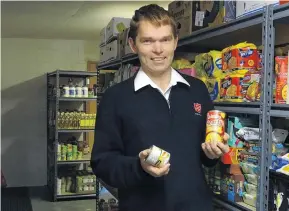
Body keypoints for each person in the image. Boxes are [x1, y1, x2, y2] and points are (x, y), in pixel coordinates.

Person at [91, 4, 230, 211]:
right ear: (133, 45)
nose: (158, 50)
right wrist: (139, 167)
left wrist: (212, 153)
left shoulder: (197, 90)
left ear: (175, 41)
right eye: (148, 41)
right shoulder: (116, 97)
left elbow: (203, 157)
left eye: (165, 39)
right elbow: (102, 163)